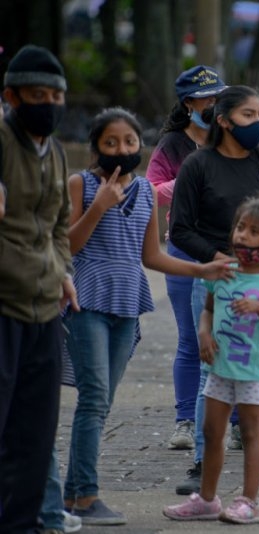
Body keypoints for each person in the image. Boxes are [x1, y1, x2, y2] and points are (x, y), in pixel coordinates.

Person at [63, 107, 234, 525]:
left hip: (127, 307)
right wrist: (99, 206)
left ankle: (72, 492)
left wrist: (203, 267)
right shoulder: (79, 185)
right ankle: (84, 496)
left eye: (129, 142)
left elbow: (152, 255)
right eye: (111, 143)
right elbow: (68, 245)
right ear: (95, 148)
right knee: (94, 399)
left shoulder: (143, 191)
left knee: (101, 403)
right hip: (87, 305)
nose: (121, 150)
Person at [169, 85, 259, 498]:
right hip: (217, 278)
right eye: (249, 115)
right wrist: (217, 259)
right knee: (211, 372)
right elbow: (180, 229)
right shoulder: (198, 165)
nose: (258, 123)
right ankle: (199, 464)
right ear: (224, 120)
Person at [164, 197, 259, 523]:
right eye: (240, 227)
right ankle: (207, 500)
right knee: (212, 432)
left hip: (254, 372)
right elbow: (208, 311)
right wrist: (204, 335)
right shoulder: (223, 272)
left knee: (251, 433)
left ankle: (249, 502)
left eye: (254, 231)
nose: (243, 236)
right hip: (219, 369)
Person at [0, 44, 77, 534]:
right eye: (36, 94)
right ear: (11, 96)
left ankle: (22, 524)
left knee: (35, 431)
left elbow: (58, 225)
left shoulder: (57, 151)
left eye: (55, 95)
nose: (47, 103)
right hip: (4, 305)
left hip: (46, 306)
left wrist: (63, 270)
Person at [146, 64, 227, 451]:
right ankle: (184, 421)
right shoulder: (173, 145)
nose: (212, 104)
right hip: (182, 249)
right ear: (188, 103)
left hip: (227, 250)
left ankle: (237, 419)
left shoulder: (232, 137)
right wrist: (189, 178)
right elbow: (152, 190)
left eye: (217, 97)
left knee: (231, 337)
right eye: (205, 98)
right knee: (191, 340)